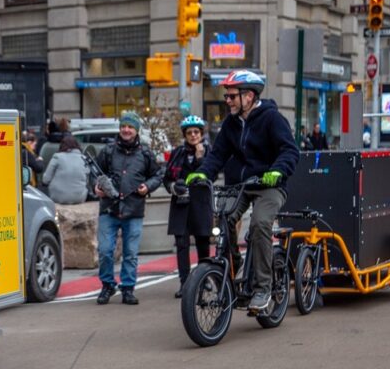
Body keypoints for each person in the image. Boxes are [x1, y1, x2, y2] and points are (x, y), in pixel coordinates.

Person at [187, 70, 299, 314]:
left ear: (248, 96)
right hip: (241, 186)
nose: (227, 100)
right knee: (223, 221)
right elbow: (218, 155)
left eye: (231, 96)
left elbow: (290, 151)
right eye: (226, 96)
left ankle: (262, 288)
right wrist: (203, 172)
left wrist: (278, 170)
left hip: (270, 186)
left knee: (259, 225)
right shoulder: (231, 123)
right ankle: (233, 271)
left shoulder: (272, 119)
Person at [94, 111, 164, 306]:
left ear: (136, 130)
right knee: (105, 251)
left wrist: (147, 187)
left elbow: (158, 175)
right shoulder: (108, 151)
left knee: (131, 253)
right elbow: (94, 173)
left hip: (134, 210)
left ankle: (128, 288)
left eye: (130, 127)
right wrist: (96, 187)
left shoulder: (145, 153)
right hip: (109, 208)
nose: (126, 130)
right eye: (124, 126)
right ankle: (107, 285)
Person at [163, 116, 212, 298]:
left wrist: (199, 158)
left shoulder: (208, 152)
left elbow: (209, 175)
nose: (193, 135)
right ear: (185, 134)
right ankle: (184, 283)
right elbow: (167, 178)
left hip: (200, 203)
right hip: (180, 205)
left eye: (196, 132)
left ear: (201, 134)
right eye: (189, 132)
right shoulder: (177, 153)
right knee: (182, 245)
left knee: (202, 244)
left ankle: (204, 279)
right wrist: (173, 187)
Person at [41, 135, 89, 204]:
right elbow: (87, 180)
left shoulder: (57, 157)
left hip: (58, 197)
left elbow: (46, 179)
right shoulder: (84, 159)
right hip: (79, 198)